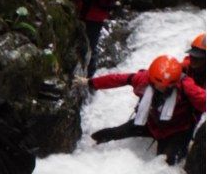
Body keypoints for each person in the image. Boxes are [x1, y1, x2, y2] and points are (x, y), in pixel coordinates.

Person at [75, 55, 206, 165]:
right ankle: (84, 149)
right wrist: (89, 82)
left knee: (166, 163)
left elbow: (203, 99)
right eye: (159, 85)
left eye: (168, 86)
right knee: (113, 133)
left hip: (177, 130)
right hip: (151, 123)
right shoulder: (143, 78)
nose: (163, 88)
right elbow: (117, 79)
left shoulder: (186, 85)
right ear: (152, 79)